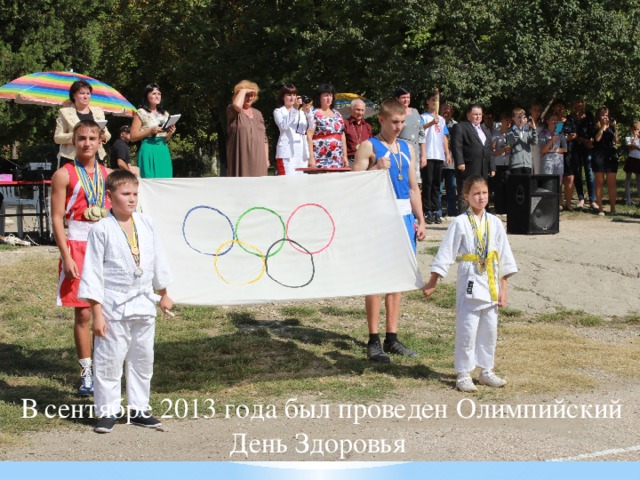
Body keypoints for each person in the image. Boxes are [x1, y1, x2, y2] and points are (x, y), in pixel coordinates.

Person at [78, 169, 173, 433]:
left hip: (143, 300)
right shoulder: (101, 230)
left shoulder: (147, 223)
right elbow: (93, 272)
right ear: (110, 196)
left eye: (134, 193)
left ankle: (139, 409)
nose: (131, 199)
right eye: (125, 194)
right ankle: (107, 411)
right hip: (113, 303)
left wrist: (163, 293)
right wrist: (97, 313)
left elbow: (158, 259)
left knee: (143, 358)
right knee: (110, 359)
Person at [423, 175, 517, 392]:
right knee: (468, 328)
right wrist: (433, 280)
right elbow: (446, 251)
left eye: (484, 193)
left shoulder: (495, 222)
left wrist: (504, 287)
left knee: (489, 329)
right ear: (466, 196)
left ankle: (486, 370)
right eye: (476, 193)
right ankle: (463, 372)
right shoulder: (460, 222)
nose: (481, 197)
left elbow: (505, 255)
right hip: (471, 278)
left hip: (491, 279)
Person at [353, 99, 427, 363]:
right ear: (381, 120)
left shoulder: (407, 148)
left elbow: (413, 188)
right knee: (375, 279)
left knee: (398, 278)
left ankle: (392, 337)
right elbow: (354, 184)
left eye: (402, 122)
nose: (399, 127)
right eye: (394, 122)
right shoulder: (368, 146)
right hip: (379, 218)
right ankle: (373, 339)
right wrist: (375, 168)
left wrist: (421, 219)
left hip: (404, 218)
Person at [51, 119, 112, 397]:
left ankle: (107, 367)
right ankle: (86, 371)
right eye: (81, 138)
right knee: (84, 311)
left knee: (110, 310)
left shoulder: (109, 175)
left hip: (105, 245)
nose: (87, 143)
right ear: (73, 142)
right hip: (76, 244)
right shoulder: (63, 174)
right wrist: (66, 255)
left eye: (92, 138)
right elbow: (56, 218)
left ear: (101, 141)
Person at [54, 80, 111, 168]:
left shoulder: (98, 112)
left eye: (88, 93)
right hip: (72, 158)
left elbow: (107, 135)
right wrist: (78, 136)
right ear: (74, 95)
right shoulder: (64, 112)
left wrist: (103, 135)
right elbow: (57, 138)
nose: (85, 96)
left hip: (96, 157)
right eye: (82, 93)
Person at [129, 83, 176, 178]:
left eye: (159, 94)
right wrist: (150, 131)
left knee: (165, 179)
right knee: (150, 178)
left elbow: (166, 139)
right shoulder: (141, 112)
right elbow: (133, 137)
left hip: (163, 149)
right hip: (148, 149)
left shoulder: (165, 114)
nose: (157, 96)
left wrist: (171, 132)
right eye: (154, 93)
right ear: (147, 95)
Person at [225, 80, 269, 177]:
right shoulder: (232, 111)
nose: (249, 98)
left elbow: (264, 138)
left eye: (252, 95)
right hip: (241, 157)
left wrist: (266, 159)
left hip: (259, 158)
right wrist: (244, 90)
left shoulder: (258, 113)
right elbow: (236, 105)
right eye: (246, 95)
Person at [421, 91, 451, 224]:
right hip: (428, 154)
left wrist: (447, 153)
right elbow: (420, 130)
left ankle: (435, 210)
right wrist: (432, 123)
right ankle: (427, 210)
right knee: (427, 183)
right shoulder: (424, 117)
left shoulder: (442, 120)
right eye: (433, 100)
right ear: (428, 101)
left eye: (437, 101)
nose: (435, 103)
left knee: (437, 184)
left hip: (438, 155)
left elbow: (444, 137)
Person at [273, 84, 314, 175]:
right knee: (287, 181)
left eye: (294, 95)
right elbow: (284, 126)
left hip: (301, 152)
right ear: (283, 97)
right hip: (287, 153)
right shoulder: (278, 111)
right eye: (289, 95)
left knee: (302, 182)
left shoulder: (302, 113)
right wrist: (295, 108)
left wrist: (308, 111)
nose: (292, 98)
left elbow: (311, 127)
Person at [308, 84, 348, 169]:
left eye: (330, 95)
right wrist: (311, 157)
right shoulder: (314, 113)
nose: (329, 98)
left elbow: (342, 135)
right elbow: (309, 136)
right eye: (326, 95)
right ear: (319, 97)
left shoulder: (337, 114)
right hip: (320, 155)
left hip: (337, 156)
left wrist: (345, 156)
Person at [451, 104, 495, 180]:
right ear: (468, 115)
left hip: (483, 169)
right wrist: (460, 162)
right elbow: (457, 146)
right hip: (468, 167)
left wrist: (492, 167)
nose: (478, 117)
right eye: (475, 114)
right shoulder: (461, 127)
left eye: (480, 114)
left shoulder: (486, 130)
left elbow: (489, 150)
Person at [395, 86, 426, 182]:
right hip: (400, 149)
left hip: (415, 150)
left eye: (408, 97)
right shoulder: (394, 113)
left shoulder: (415, 111)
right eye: (403, 97)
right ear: (397, 99)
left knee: (415, 182)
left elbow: (421, 133)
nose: (406, 100)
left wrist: (423, 155)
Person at [592, 106, 619, 215]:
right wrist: (602, 127)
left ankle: (613, 208)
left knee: (612, 183)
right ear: (599, 116)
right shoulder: (595, 126)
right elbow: (597, 139)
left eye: (607, 115)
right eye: (603, 115)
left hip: (610, 156)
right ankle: (600, 208)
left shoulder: (611, 127)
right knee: (599, 182)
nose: (605, 117)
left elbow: (616, 141)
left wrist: (615, 128)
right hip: (599, 156)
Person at [540, 115, 568, 209]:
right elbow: (543, 150)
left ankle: (557, 203)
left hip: (559, 159)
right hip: (547, 160)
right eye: (553, 120)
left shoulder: (560, 132)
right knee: (548, 182)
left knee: (558, 182)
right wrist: (551, 140)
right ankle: (547, 204)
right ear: (547, 121)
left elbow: (565, 149)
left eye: (556, 120)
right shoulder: (543, 132)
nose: (555, 122)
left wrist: (553, 150)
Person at [490, 112, 512, 214]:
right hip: (498, 164)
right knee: (498, 187)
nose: (508, 122)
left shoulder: (511, 135)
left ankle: (508, 208)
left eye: (509, 120)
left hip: (508, 163)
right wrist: (503, 150)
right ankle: (499, 209)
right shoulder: (495, 135)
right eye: (506, 120)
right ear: (501, 121)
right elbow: (492, 152)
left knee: (508, 186)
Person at [506, 107, 538, 175]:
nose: (521, 119)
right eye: (519, 117)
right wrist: (519, 128)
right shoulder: (510, 131)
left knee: (527, 185)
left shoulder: (527, 130)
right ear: (513, 118)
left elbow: (534, 142)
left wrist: (534, 129)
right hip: (516, 164)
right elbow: (512, 141)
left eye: (523, 117)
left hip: (527, 164)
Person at [440, 102, 458, 217]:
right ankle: (438, 212)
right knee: (439, 189)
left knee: (452, 188)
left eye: (449, 110)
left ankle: (452, 212)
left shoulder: (456, 125)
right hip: (439, 160)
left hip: (452, 161)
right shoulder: (436, 123)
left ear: (452, 112)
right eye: (444, 109)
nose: (447, 111)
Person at [344, 98, 373, 167]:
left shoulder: (367, 126)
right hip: (350, 160)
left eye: (362, 110)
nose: (360, 113)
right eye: (358, 110)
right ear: (351, 110)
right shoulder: (345, 124)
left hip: (365, 160)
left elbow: (371, 145)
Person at [623, 121, 640, 205]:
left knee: (638, 180)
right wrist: (634, 137)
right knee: (628, 179)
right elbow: (631, 146)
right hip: (631, 159)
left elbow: (635, 147)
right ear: (631, 129)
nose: (636, 131)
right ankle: (628, 199)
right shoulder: (628, 138)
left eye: (638, 129)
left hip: (638, 160)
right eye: (634, 129)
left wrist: (636, 147)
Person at [528, 103, 544, 174]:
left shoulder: (543, 123)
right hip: (528, 150)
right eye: (535, 110)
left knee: (538, 173)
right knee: (528, 173)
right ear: (530, 110)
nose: (537, 112)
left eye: (539, 110)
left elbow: (556, 131)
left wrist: (561, 122)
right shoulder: (525, 123)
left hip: (539, 151)